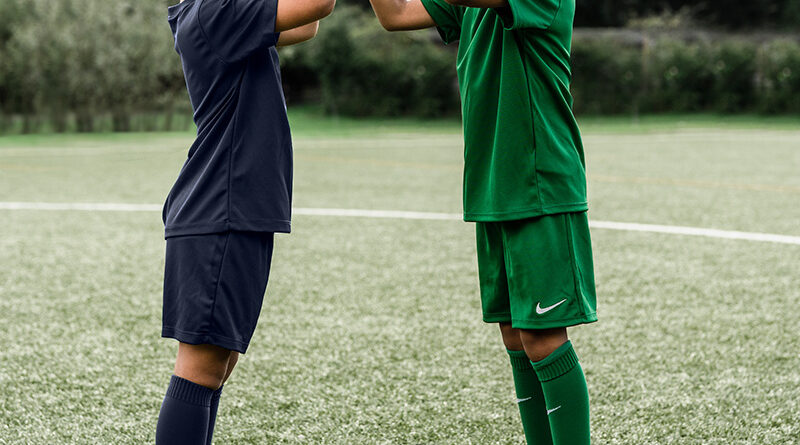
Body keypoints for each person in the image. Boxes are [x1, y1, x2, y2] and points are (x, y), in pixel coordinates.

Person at [367, 0, 597, 443]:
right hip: (494, 186)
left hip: (540, 183)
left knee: (543, 338)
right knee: (517, 337)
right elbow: (394, 14)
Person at [155, 0, 334, 443]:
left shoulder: (217, 13)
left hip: (229, 209)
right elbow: (322, 4)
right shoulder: (218, 10)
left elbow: (307, 23)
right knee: (202, 367)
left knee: (216, 365)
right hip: (222, 209)